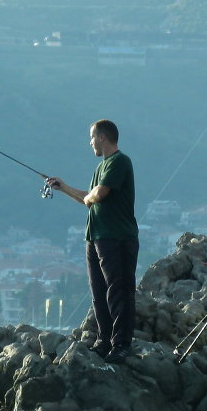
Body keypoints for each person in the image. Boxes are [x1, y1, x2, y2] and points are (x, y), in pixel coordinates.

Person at [46, 119, 139, 364]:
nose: (90, 143)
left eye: (91, 138)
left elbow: (99, 194)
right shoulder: (101, 167)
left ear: (102, 137)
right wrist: (63, 187)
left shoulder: (119, 162)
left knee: (118, 291)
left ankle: (121, 344)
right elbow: (88, 198)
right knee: (99, 292)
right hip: (96, 237)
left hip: (117, 238)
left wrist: (89, 198)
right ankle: (103, 341)